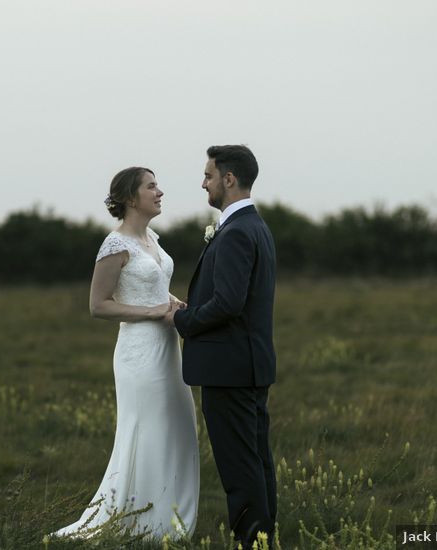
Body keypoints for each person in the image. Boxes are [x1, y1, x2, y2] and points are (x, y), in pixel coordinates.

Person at [53, 167, 199, 540]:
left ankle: (169, 517)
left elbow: (151, 285)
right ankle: (138, 519)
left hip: (168, 349)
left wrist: (170, 301)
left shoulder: (151, 238)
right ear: (131, 199)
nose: (160, 192)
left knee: (177, 424)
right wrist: (151, 313)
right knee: (147, 428)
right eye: (152, 186)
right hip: (139, 352)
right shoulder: (115, 245)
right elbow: (98, 305)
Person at [164, 145, 277, 547]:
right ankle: (264, 540)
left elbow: (229, 303)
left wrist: (182, 319)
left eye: (208, 175)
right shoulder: (256, 226)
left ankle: (253, 542)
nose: (203, 182)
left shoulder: (235, 233)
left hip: (229, 368)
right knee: (257, 462)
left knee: (240, 468)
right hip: (248, 364)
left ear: (228, 179)